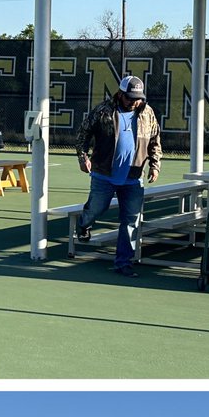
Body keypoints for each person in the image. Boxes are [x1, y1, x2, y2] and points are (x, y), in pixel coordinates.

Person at [73, 74, 162, 279]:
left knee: (131, 220)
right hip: (103, 174)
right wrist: (83, 157)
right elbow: (83, 134)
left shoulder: (147, 112)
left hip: (133, 177)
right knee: (97, 208)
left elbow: (155, 140)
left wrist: (155, 165)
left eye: (137, 97)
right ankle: (84, 223)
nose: (134, 101)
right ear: (120, 94)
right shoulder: (103, 111)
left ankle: (123, 263)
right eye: (130, 97)